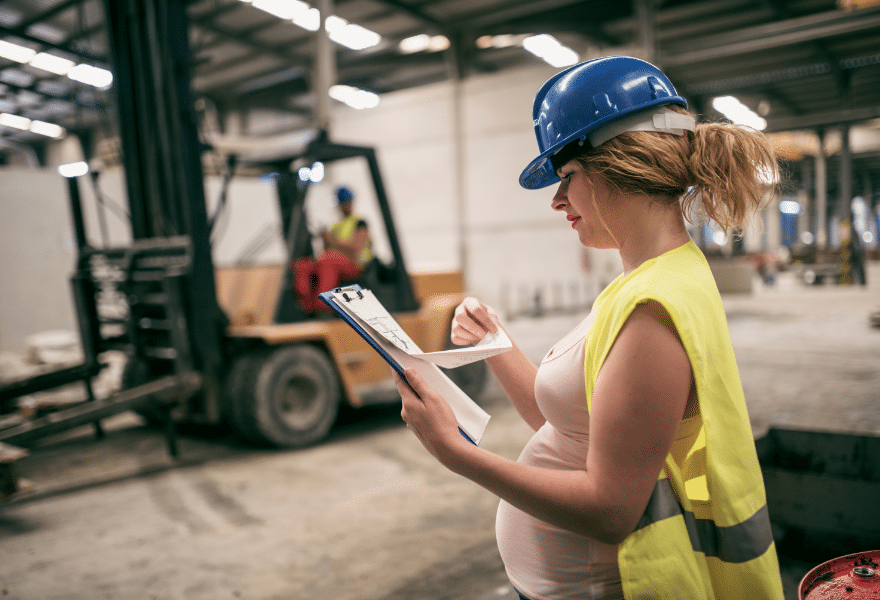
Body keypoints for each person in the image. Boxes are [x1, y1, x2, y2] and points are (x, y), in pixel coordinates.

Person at [393, 56, 785, 599]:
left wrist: (455, 452)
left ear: (621, 164)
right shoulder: (648, 281)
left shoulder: (652, 311)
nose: (557, 202)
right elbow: (572, 426)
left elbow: (609, 510)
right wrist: (496, 346)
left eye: (568, 178)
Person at [294, 186, 373, 314]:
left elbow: (357, 247)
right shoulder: (336, 226)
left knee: (328, 260)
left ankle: (323, 306)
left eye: (346, 202)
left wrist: (333, 242)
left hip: (355, 265)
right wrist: (325, 238)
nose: (344, 206)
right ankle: (308, 308)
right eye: (342, 203)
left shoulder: (359, 223)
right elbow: (326, 250)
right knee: (303, 265)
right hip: (335, 263)